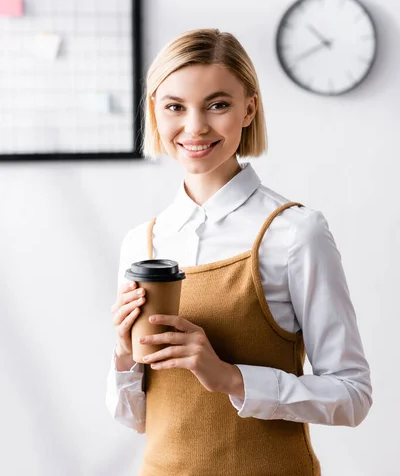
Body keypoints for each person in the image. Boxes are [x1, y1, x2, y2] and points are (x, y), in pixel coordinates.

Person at [106, 28, 372, 476]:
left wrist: (230, 377)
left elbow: (352, 396)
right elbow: (137, 419)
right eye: (175, 106)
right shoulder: (142, 242)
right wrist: (122, 355)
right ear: (155, 111)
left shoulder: (295, 233)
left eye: (218, 104)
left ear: (249, 108)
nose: (195, 127)